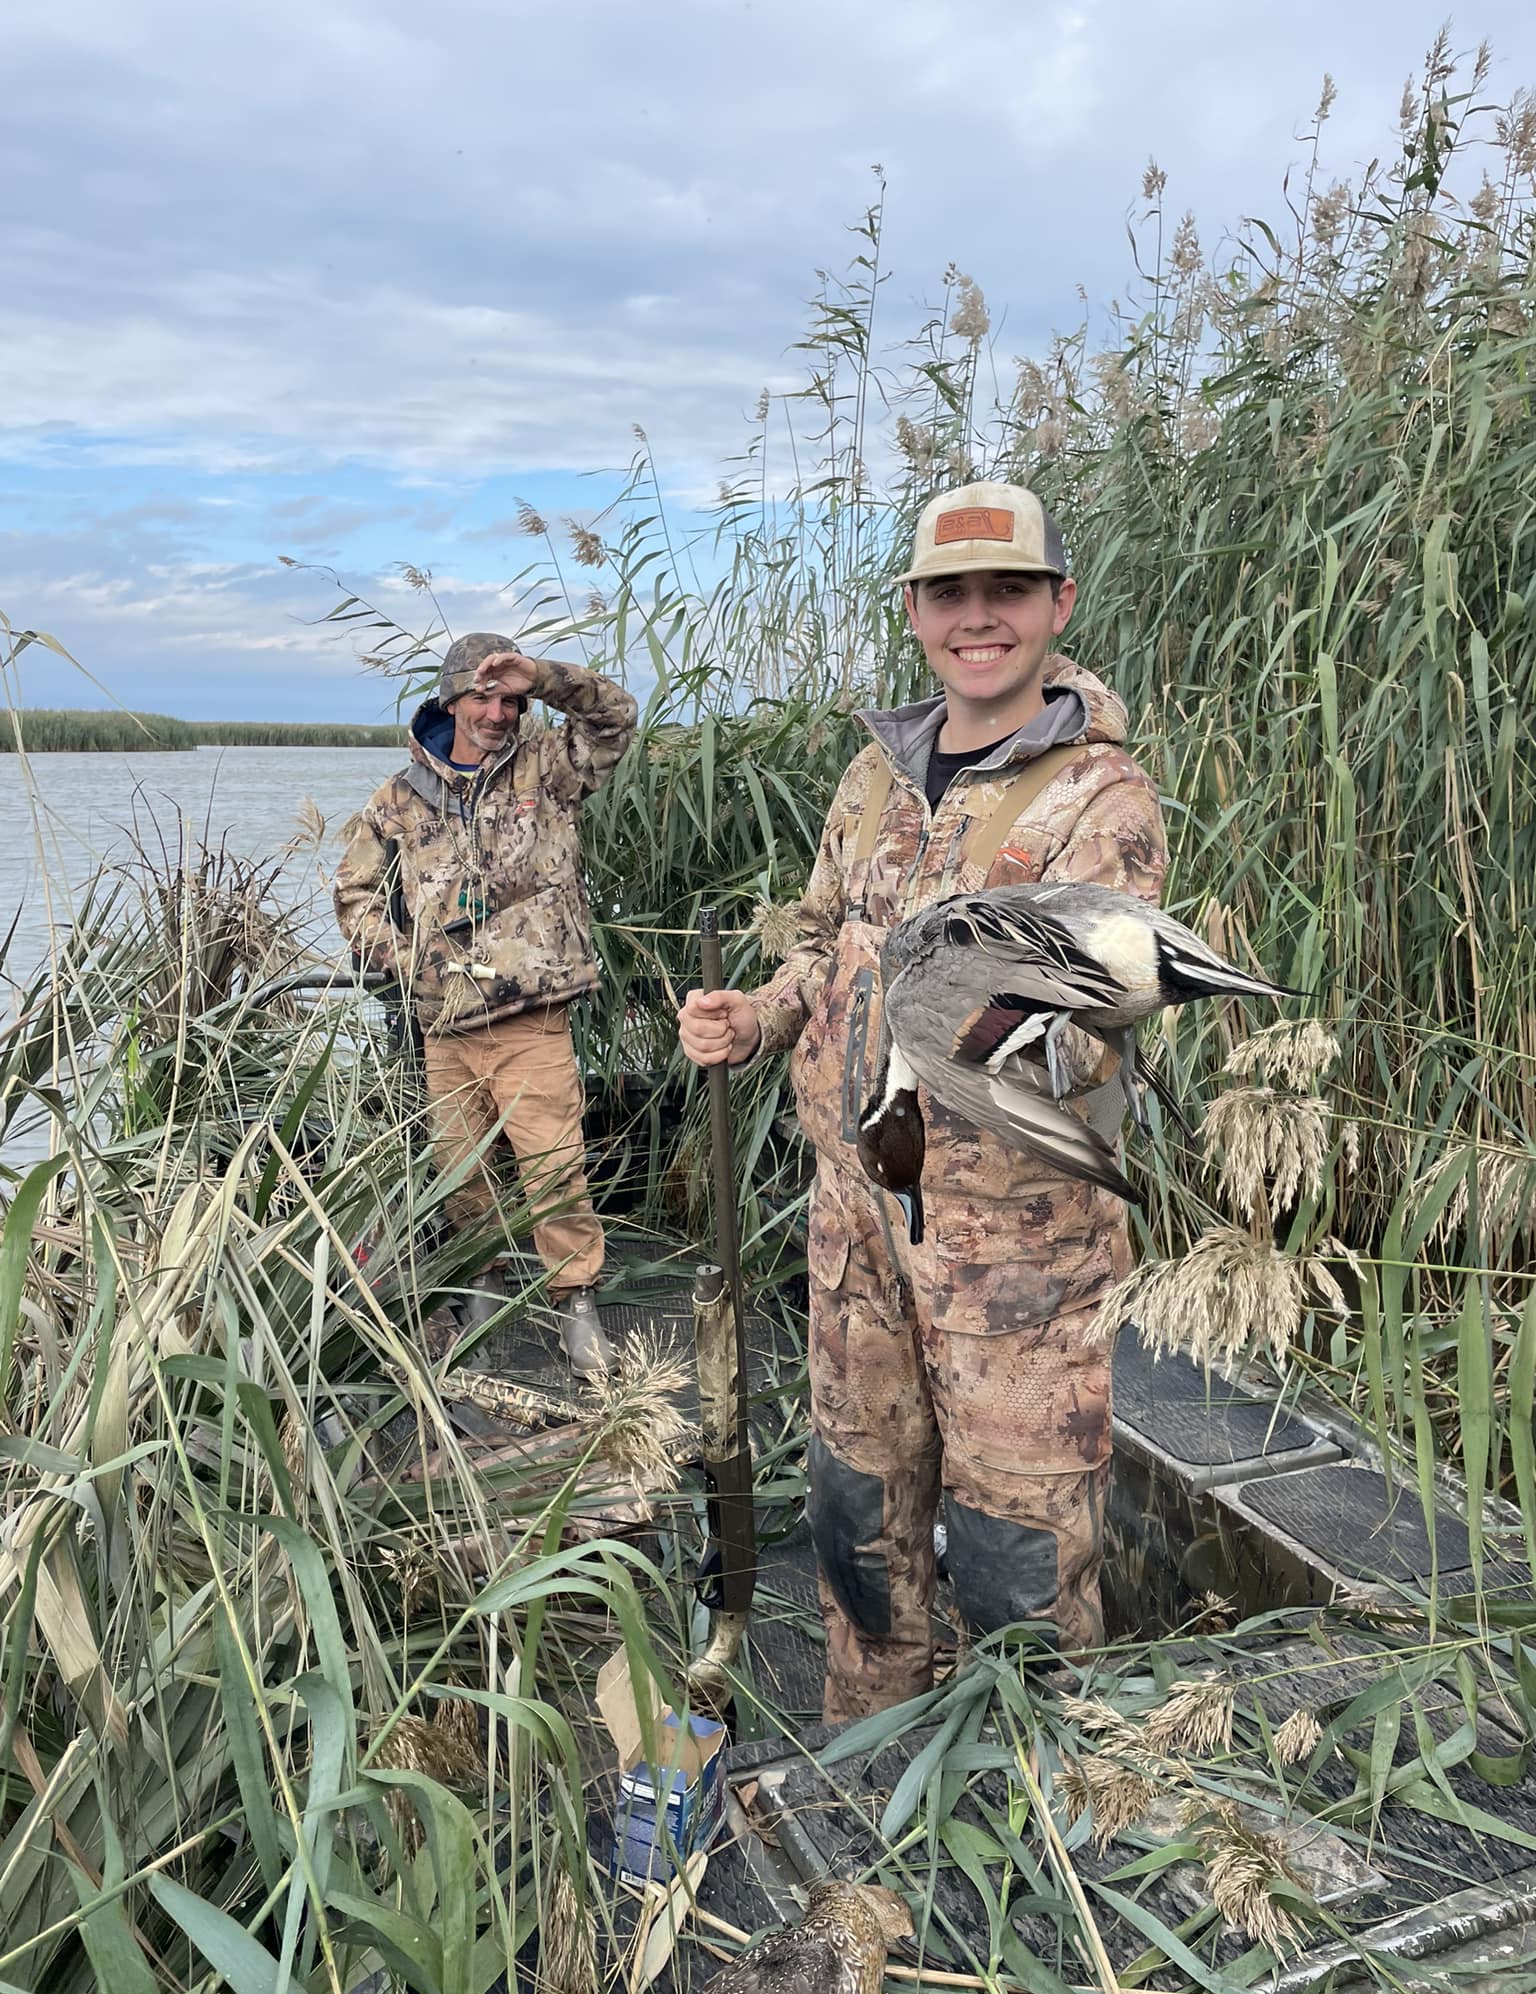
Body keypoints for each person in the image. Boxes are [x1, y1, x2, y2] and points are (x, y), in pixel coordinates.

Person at [677, 482, 1167, 1722]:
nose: (979, 617)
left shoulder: (1097, 801)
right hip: (855, 1230)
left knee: (1017, 1564)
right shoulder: (873, 778)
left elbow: (1090, 1024)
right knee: (856, 1517)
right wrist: (764, 1011)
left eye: (1009, 589)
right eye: (952, 593)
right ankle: (868, 1756)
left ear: (1059, 603)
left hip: (1012, 1258)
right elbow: (820, 936)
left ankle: (1025, 1811)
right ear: (914, 612)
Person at [335, 633, 637, 1371]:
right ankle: (483, 1287)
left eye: (511, 699)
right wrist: (410, 963)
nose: (498, 713)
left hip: (533, 1014)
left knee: (554, 1166)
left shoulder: (549, 767)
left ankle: (575, 1302)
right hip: (446, 1024)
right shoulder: (400, 797)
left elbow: (617, 718)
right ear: (451, 699)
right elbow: (354, 894)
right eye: (483, 696)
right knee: (462, 1171)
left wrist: (544, 676)